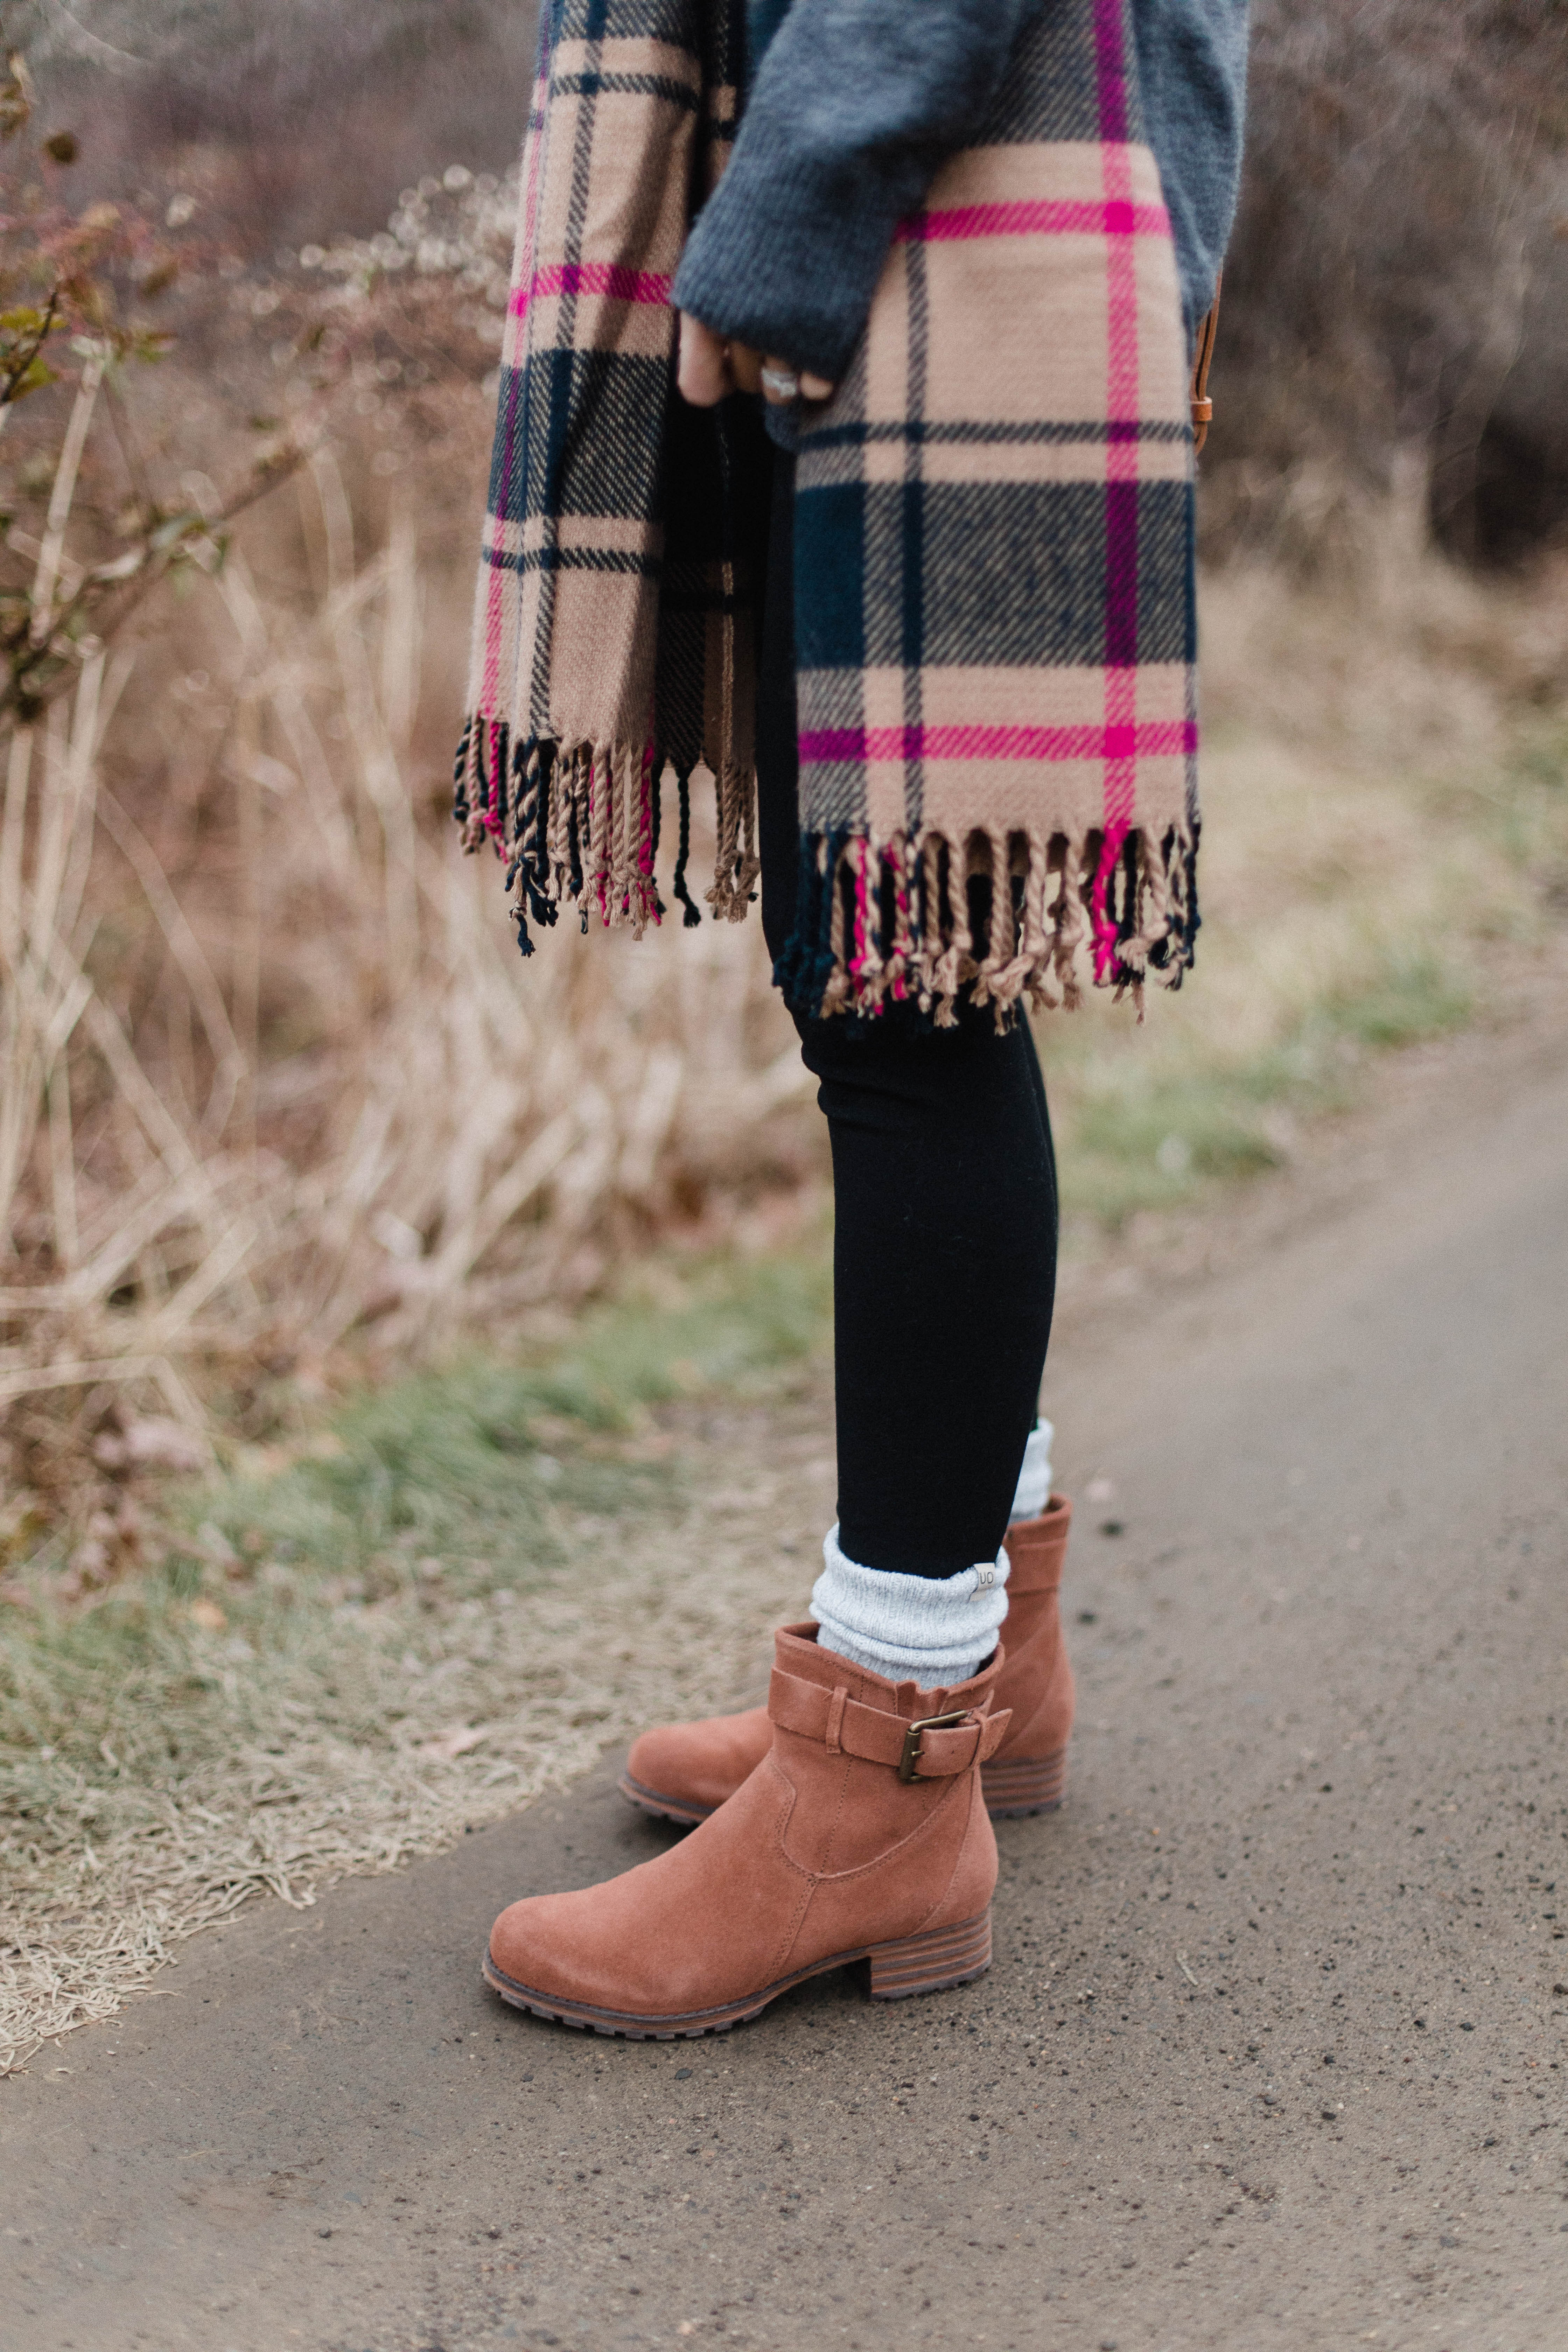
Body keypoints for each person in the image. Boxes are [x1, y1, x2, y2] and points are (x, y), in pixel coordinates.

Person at [465, 0, 1248, 2037]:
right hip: (912, 183)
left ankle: (886, 1761)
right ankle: (972, 1635)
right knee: (879, 986)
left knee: (907, 1010)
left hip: (918, 204)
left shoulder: (831, 211)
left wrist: (786, 213)